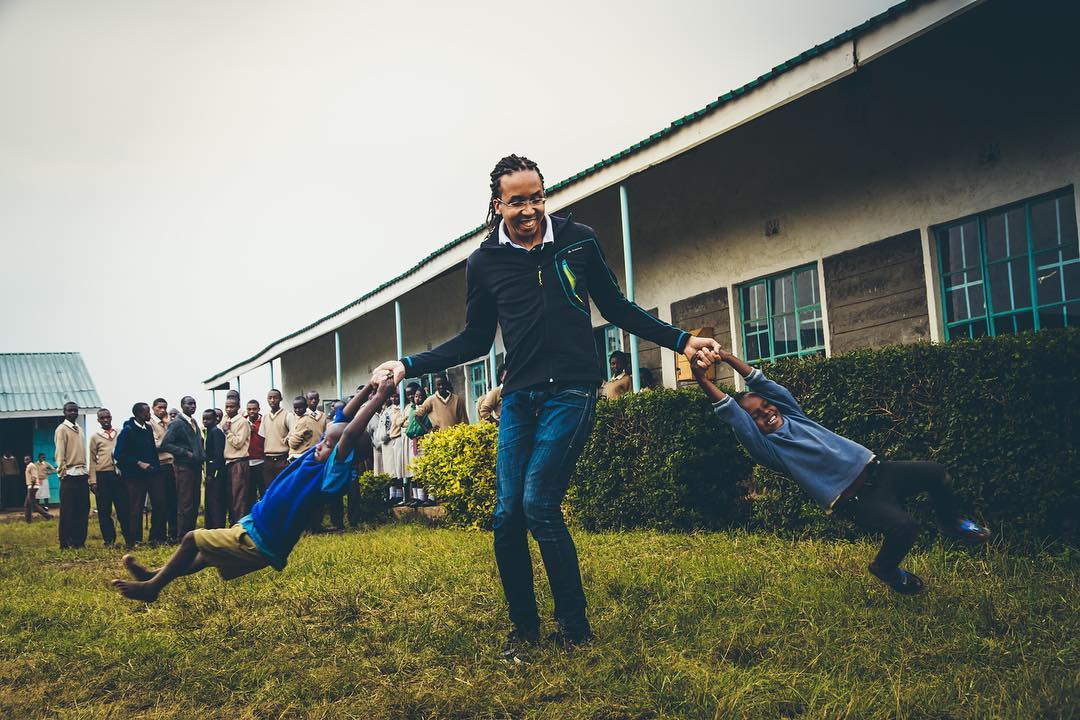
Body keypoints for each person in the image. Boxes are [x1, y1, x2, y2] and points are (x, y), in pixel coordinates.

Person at [374, 154, 718, 652]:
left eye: (537, 197)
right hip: (520, 395)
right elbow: (474, 340)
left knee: (539, 504)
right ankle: (525, 628)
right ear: (498, 205)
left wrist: (681, 340)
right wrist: (407, 364)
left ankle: (575, 629)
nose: (531, 209)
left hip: (573, 390)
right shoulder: (485, 262)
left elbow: (617, 307)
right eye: (518, 202)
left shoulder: (579, 241)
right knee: (506, 514)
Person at [690, 347, 991, 595]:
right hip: (855, 499)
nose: (766, 413)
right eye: (755, 415)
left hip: (880, 471)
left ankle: (951, 523)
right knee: (906, 527)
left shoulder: (795, 415)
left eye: (766, 407)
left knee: (936, 472)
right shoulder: (768, 449)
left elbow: (766, 384)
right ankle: (885, 568)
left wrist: (727, 357)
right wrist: (702, 379)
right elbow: (732, 411)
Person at [111, 376, 393, 603]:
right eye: (322, 441)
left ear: (342, 454)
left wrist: (379, 397)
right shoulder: (317, 455)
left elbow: (349, 432)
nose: (319, 445)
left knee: (192, 539)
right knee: (205, 557)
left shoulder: (331, 472)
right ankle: (154, 576)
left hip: (261, 539)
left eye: (328, 445)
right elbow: (343, 418)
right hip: (255, 527)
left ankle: (152, 588)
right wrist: (370, 385)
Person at [113, 403, 164, 547]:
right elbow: (119, 455)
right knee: (136, 507)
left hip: (152, 474)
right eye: (148, 412)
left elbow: (152, 451)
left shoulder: (147, 428)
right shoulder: (128, 430)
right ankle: (134, 540)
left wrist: (156, 469)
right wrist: (138, 463)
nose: (150, 415)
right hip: (134, 477)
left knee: (159, 503)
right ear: (139, 414)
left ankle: (156, 537)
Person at [160, 396, 205, 537]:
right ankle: (182, 536)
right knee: (185, 503)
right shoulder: (177, 423)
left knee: (195, 501)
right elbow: (165, 444)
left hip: (195, 467)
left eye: (194, 403)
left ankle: (191, 534)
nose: (192, 406)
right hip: (184, 467)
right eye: (189, 404)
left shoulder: (193, 422)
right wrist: (185, 453)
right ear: (182, 405)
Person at [89, 408, 129, 546]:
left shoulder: (120, 432)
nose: (105, 420)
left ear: (111, 418)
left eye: (107, 417)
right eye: (102, 418)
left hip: (119, 475)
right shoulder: (95, 437)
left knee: (123, 508)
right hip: (102, 476)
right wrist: (93, 480)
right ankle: (109, 540)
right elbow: (93, 459)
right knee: (104, 510)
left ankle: (129, 538)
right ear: (98, 420)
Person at [54, 401, 91, 549]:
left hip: (82, 474)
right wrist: (62, 472)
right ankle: (65, 543)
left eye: (75, 410)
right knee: (68, 511)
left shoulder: (80, 429)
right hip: (69, 474)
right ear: (64, 412)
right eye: (70, 411)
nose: (73, 413)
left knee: (83, 509)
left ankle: (79, 542)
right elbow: (59, 453)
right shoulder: (61, 429)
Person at [150, 398, 178, 543]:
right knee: (160, 502)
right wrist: (169, 443)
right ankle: (157, 536)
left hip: (171, 464)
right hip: (159, 465)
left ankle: (173, 534)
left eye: (164, 408)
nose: (162, 410)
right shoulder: (151, 424)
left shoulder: (167, 423)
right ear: (153, 408)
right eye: (159, 407)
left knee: (173, 501)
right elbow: (156, 445)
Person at [221, 397, 252, 526]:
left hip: (239, 462)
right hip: (228, 463)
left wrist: (228, 432)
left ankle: (240, 526)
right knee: (230, 497)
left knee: (239, 497)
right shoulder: (225, 420)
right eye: (226, 406)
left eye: (232, 407)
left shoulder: (242, 422)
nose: (228, 409)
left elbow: (238, 443)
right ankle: (233, 523)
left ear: (238, 407)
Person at [259, 389, 291, 488]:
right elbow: (263, 437)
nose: (272, 400)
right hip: (268, 460)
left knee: (283, 488)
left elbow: (294, 433)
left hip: (283, 459)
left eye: (275, 397)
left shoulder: (287, 415)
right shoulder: (265, 417)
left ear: (280, 399)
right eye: (270, 398)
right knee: (269, 489)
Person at [202, 409, 228, 529]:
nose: (205, 421)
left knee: (216, 502)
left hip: (216, 475)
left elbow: (218, 456)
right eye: (204, 419)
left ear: (215, 419)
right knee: (210, 502)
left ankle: (217, 527)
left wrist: (213, 474)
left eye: (208, 419)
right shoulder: (208, 432)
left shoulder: (216, 432)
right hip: (210, 473)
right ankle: (210, 526)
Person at [286, 396, 319, 461]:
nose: (297, 410)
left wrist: (289, 439)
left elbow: (293, 443)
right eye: (295, 408)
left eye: (300, 408)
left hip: (300, 456)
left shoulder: (303, 421)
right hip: (308, 453)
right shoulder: (311, 418)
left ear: (306, 406)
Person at [246, 399, 266, 503]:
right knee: (250, 492)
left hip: (261, 461)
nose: (252, 411)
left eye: (254, 409)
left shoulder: (264, 421)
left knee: (263, 489)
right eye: (249, 409)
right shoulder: (243, 421)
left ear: (259, 409)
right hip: (247, 462)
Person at [23, 455, 52, 522]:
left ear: (30, 460)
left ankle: (48, 516)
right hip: (31, 486)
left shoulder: (31, 466)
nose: (26, 461)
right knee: (27, 504)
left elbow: (34, 476)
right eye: (25, 460)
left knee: (33, 504)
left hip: (33, 486)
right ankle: (28, 520)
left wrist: (32, 487)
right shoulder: (29, 466)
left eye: (27, 459)